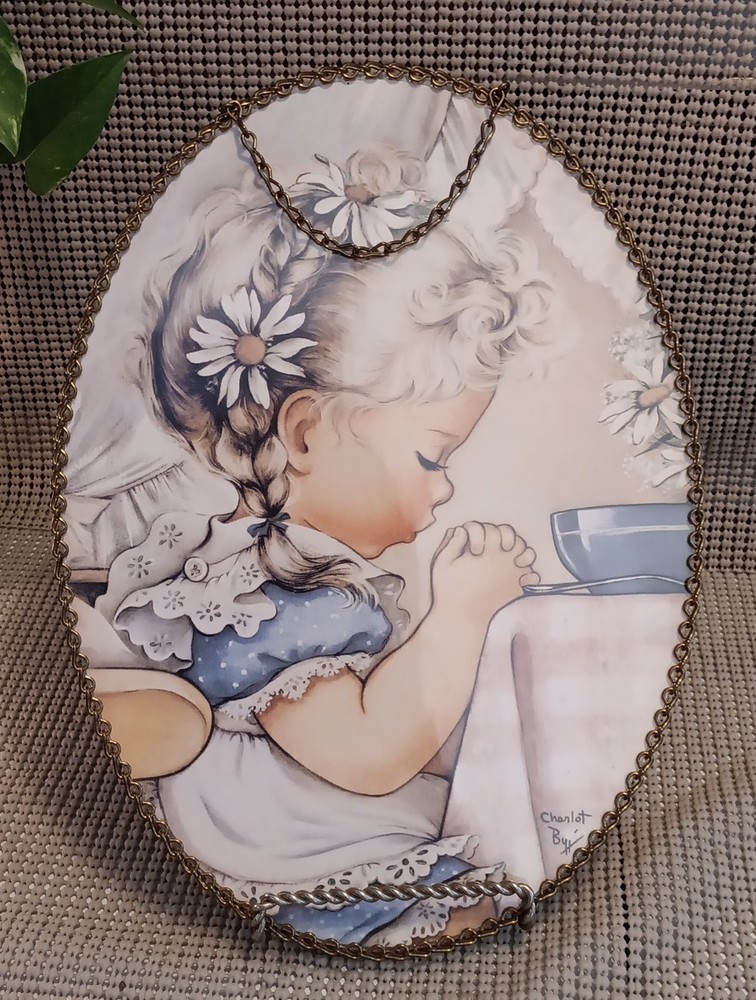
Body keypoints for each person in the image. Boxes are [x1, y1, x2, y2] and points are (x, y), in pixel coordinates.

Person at [90, 149, 556, 945]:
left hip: (305, 833)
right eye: (432, 458)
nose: (445, 489)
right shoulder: (274, 598)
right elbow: (370, 755)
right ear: (305, 433)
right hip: (306, 860)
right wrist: (460, 615)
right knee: (473, 908)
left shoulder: (269, 571)